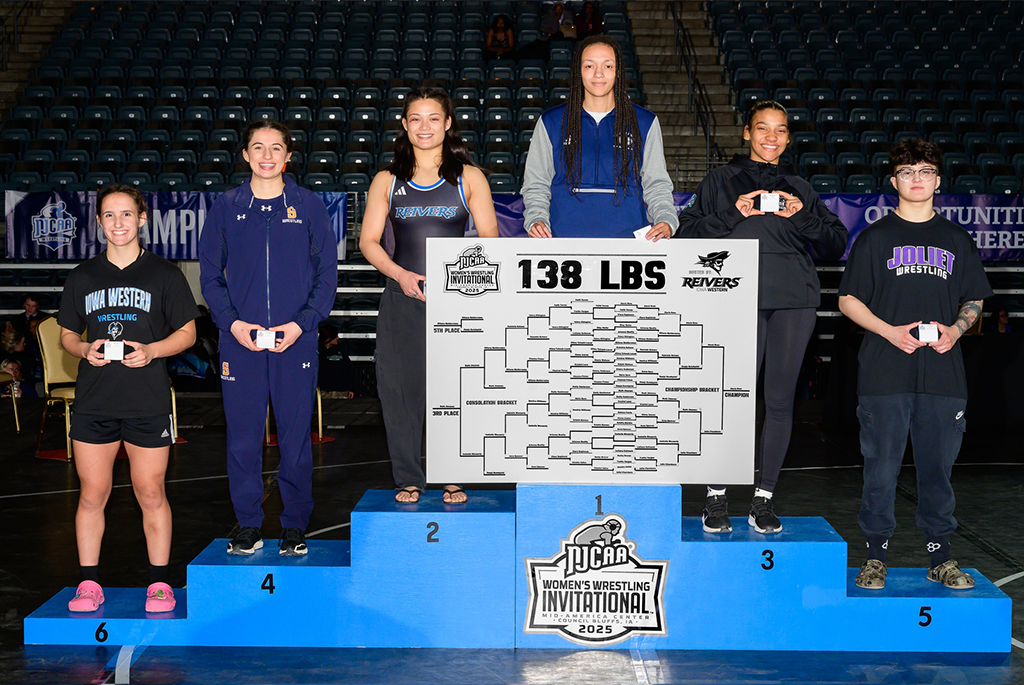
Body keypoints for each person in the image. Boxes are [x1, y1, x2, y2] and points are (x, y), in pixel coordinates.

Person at [678, 100, 849, 534]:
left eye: (779, 130)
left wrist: (802, 215)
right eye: (762, 128)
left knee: (778, 401)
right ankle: (715, 497)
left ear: (788, 138)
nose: (770, 137)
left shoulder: (800, 188)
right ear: (747, 134)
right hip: (732, 300)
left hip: (793, 302)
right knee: (728, 400)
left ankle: (764, 499)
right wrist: (737, 211)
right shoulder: (720, 181)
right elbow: (686, 237)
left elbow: (835, 244)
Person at [838, 139, 992, 590]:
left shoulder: (956, 239)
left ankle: (940, 558)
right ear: (894, 181)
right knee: (881, 471)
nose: (917, 178)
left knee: (937, 472)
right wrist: (889, 331)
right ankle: (874, 558)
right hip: (885, 370)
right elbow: (847, 300)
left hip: (944, 374)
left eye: (926, 170)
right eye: (908, 171)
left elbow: (974, 298)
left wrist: (956, 331)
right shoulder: (875, 237)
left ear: (938, 180)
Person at [57, 184, 198, 613]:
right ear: (99, 223)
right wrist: (83, 350)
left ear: (142, 219)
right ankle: (88, 584)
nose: (118, 223)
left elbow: (188, 333)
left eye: (126, 214)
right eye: (109, 216)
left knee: (151, 491)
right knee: (91, 494)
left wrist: (152, 350)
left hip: (147, 401)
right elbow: (66, 333)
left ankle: (159, 584)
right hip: (95, 401)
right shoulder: (83, 276)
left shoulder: (165, 274)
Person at [199, 120, 337, 556]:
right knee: (242, 438)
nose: (266, 155)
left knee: (295, 437)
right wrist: (232, 324)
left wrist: (302, 324)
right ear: (244, 154)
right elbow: (209, 276)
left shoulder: (309, 205)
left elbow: (327, 275)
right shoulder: (224, 207)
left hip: (295, 340)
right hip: (239, 342)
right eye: (257, 147)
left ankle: (294, 524)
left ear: (288, 156)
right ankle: (247, 524)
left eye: (276, 148)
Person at [359, 86, 499, 504]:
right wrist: (401, 275)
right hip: (402, 298)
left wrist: (459, 280)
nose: (424, 127)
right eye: (415, 119)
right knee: (400, 392)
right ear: (404, 125)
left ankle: (452, 475)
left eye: (433, 118)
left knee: (454, 390)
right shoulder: (387, 180)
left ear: (448, 124)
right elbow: (368, 242)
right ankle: (409, 478)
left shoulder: (468, 177)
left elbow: (490, 241)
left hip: (457, 301)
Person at [521, 34, 678, 240]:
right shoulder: (551, 122)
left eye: (607, 66)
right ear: (578, 71)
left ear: (618, 71)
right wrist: (536, 219)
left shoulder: (644, 122)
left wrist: (666, 219)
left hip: (628, 246)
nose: (598, 74)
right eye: (589, 66)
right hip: (562, 243)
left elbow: (656, 184)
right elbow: (536, 184)